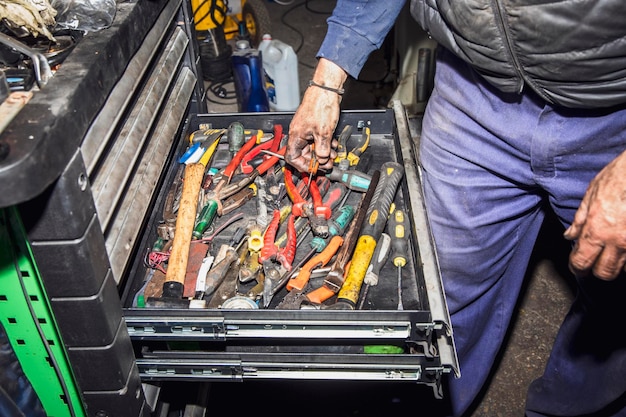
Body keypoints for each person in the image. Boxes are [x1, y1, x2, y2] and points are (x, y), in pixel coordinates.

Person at [285, 1, 626, 416]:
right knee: (440, 293)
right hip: (473, 91)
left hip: (613, 119)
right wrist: (328, 78)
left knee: (615, 309)